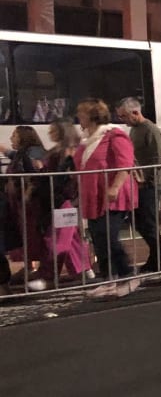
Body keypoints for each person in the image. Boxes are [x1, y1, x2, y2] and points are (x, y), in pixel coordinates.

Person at [73, 98, 141, 297]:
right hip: (93, 195)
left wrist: (115, 187)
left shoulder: (114, 135)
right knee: (99, 238)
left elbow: (125, 164)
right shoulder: (87, 139)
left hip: (112, 194)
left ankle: (128, 274)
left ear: (92, 115)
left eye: (82, 113)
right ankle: (109, 279)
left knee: (109, 236)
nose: (79, 117)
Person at [29, 119, 92, 290]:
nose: (49, 133)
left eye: (53, 130)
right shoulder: (60, 150)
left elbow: (61, 177)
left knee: (58, 238)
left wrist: (41, 168)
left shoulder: (67, 151)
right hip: (60, 199)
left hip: (63, 200)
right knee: (71, 238)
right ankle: (83, 270)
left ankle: (48, 275)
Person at [116, 97, 161, 273]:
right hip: (140, 183)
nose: (122, 120)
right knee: (139, 221)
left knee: (147, 221)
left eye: (124, 116)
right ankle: (158, 254)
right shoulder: (135, 130)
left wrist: (147, 180)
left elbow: (158, 158)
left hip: (149, 184)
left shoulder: (150, 129)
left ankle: (157, 256)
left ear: (135, 112)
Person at [0, 126, 47, 293]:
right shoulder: (21, 153)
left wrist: (27, 191)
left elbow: (36, 172)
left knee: (35, 235)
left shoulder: (33, 152)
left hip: (29, 203)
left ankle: (42, 272)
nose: (12, 138)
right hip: (19, 202)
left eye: (14, 135)